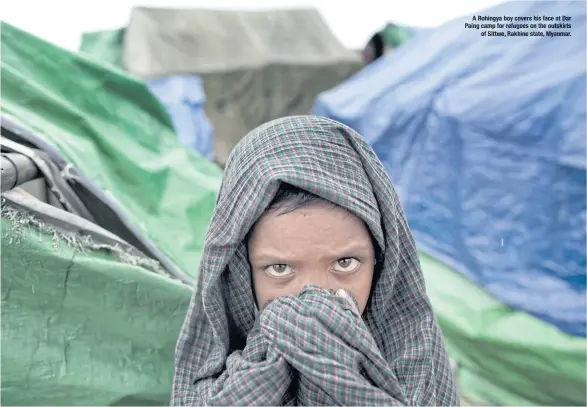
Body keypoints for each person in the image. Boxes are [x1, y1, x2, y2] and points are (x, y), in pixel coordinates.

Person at [171, 115, 460, 406]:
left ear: (382, 262)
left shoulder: (419, 367)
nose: (317, 297)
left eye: (345, 263)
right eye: (280, 268)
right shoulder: (212, 390)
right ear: (240, 273)